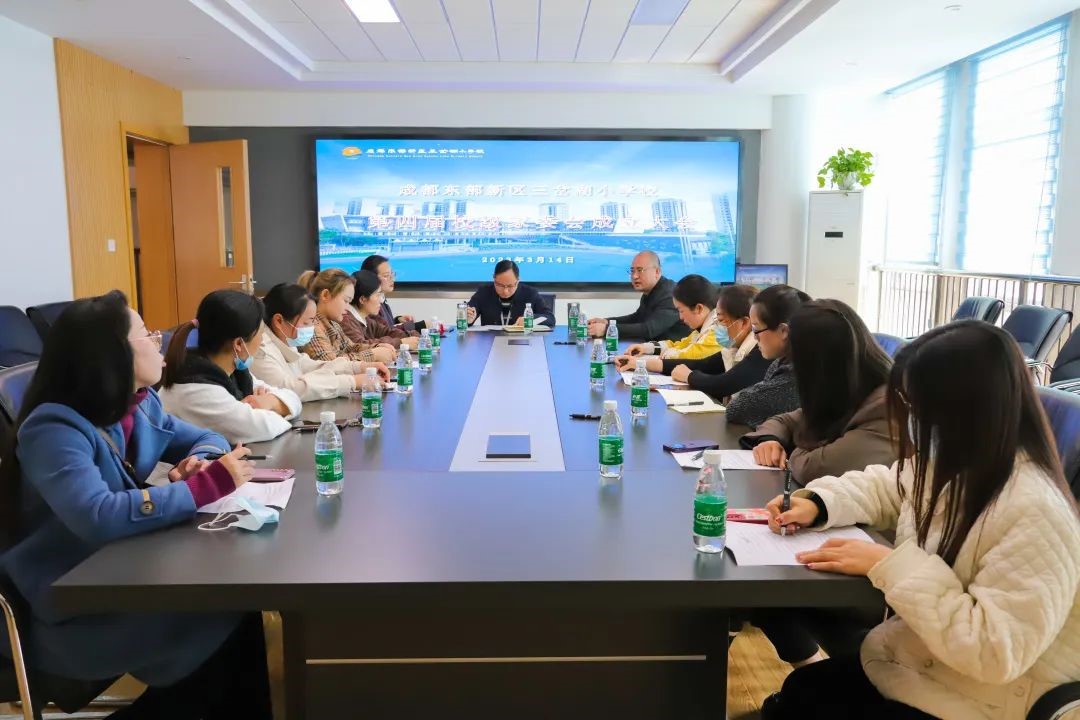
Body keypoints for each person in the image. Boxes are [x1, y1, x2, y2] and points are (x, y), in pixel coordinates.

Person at [761, 320, 1080, 720]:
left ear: (963, 410)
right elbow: (886, 486)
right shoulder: (959, 463)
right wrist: (818, 503)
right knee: (800, 693)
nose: (910, 419)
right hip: (925, 663)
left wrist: (889, 564)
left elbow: (995, 652)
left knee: (802, 703)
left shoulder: (1035, 510)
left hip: (987, 699)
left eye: (917, 407)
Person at [0, 291, 271, 720]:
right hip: (74, 602)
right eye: (145, 333)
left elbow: (208, 438)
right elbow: (97, 514)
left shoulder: (138, 404)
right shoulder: (53, 427)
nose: (158, 338)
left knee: (238, 612)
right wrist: (201, 487)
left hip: (125, 568)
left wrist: (200, 461)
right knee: (224, 614)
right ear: (113, 354)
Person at [741, 299, 896, 484]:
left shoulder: (885, 407)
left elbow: (813, 468)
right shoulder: (850, 387)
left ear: (818, 364)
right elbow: (786, 420)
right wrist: (770, 440)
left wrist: (790, 450)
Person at [160, 290, 303, 444]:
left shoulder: (233, 372)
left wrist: (270, 402)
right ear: (239, 344)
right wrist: (269, 407)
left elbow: (293, 398)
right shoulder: (197, 390)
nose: (262, 342)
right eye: (261, 335)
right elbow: (265, 427)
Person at [251, 282, 392, 402]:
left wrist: (360, 367)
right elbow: (289, 389)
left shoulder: (285, 338)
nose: (311, 328)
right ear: (279, 321)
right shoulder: (260, 348)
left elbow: (310, 366)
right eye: (306, 322)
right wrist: (352, 381)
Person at [662, 284, 771, 400]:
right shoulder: (733, 347)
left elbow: (725, 384)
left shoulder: (761, 350)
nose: (716, 328)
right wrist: (660, 365)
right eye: (716, 321)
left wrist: (689, 376)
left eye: (721, 320)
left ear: (744, 322)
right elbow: (704, 364)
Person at [724, 285, 810, 427]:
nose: (755, 337)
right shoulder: (781, 362)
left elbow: (736, 409)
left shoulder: (796, 376)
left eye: (756, 328)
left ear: (784, 331)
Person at [613, 274, 722, 370]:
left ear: (698, 308)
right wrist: (646, 348)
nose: (681, 317)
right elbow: (680, 345)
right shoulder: (703, 329)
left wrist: (639, 363)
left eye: (681, 311)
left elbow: (688, 356)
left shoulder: (718, 332)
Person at [297, 268, 396, 364]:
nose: (348, 307)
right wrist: (373, 354)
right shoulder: (311, 326)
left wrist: (377, 347)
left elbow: (351, 347)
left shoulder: (334, 324)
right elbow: (330, 363)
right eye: (346, 301)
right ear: (325, 295)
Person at [586, 251, 688, 342]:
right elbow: (638, 318)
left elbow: (649, 330)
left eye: (640, 270)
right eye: (632, 271)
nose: (634, 276)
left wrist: (606, 329)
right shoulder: (651, 291)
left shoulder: (670, 295)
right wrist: (607, 322)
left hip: (676, 353)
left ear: (657, 272)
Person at [340, 270, 419, 350]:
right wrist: (401, 342)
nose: (381, 300)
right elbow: (360, 346)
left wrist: (412, 336)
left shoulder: (366, 319)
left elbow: (387, 331)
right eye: (378, 295)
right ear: (363, 299)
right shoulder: (346, 321)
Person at [466, 259, 556, 327]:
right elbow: (467, 316)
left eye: (510, 286)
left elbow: (550, 318)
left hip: (522, 342)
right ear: (494, 278)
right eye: (500, 285)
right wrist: (467, 319)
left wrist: (530, 320)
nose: (505, 291)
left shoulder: (530, 293)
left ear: (518, 281)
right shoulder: (483, 293)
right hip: (489, 342)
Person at [360, 254, 423, 332]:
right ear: (371, 278)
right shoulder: (370, 304)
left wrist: (397, 320)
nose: (392, 279)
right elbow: (384, 332)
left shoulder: (382, 298)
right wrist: (420, 325)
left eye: (392, 274)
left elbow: (384, 325)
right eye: (386, 276)